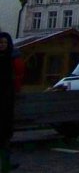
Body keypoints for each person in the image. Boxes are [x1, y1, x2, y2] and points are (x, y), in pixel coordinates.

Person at [0, 32, 19, 172]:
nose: (2, 45)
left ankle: (5, 163)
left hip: (7, 102)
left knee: (5, 136)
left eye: (5, 43)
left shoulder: (10, 59)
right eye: (0, 43)